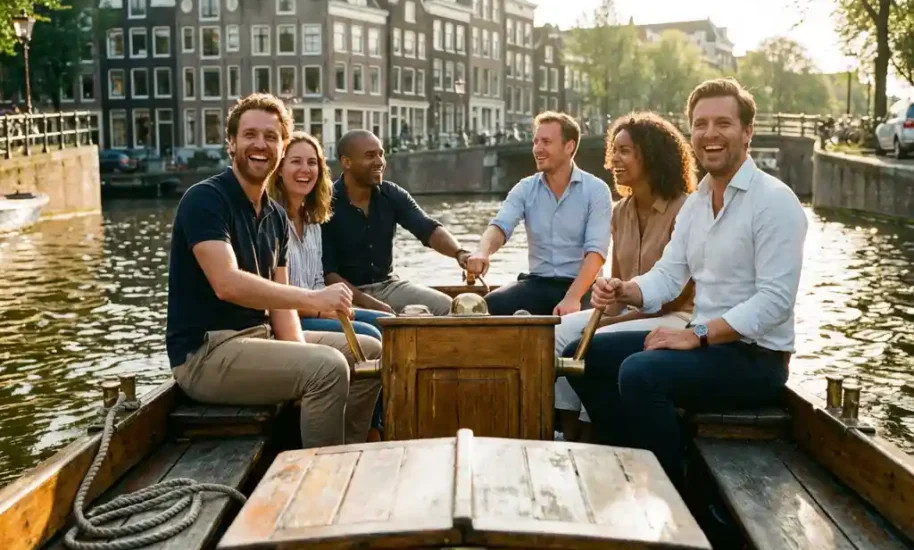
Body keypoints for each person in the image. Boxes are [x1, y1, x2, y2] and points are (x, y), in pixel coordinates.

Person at [562, 78, 807, 488]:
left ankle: (675, 490)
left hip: (755, 359)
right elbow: (668, 275)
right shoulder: (697, 204)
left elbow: (774, 301)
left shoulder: (774, 201)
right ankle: (634, 462)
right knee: (580, 357)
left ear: (747, 131)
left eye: (723, 123)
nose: (710, 134)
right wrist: (625, 289)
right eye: (700, 124)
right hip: (708, 347)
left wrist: (697, 334)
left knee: (640, 374)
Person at [166, 93, 381, 448]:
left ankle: (348, 450)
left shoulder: (276, 216)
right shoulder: (205, 200)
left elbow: (281, 310)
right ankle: (323, 470)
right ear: (231, 143)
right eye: (249, 135)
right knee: (328, 368)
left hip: (259, 338)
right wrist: (314, 298)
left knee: (371, 350)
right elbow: (226, 283)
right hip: (206, 354)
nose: (260, 144)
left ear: (281, 147)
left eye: (270, 136)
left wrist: (300, 354)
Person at [553, 112, 698, 442]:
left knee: (594, 341)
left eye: (625, 151)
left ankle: (594, 432)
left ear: (652, 155)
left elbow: (676, 295)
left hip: (679, 316)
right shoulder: (620, 212)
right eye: (613, 151)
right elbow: (618, 283)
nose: (613, 160)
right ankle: (569, 432)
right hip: (631, 311)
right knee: (556, 332)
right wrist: (606, 295)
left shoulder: (685, 210)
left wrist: (612, 320)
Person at [465, 112, 612, 316]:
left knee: (586, 322)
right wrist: (482, 251)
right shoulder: (525, 188)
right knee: (483, 308)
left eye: (546, 142)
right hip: (537, 283)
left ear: (569, 147)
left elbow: (596, 253)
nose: (537, 149)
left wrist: (572, 298)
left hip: (584, 287)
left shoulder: (597, 190)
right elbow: (500, 226)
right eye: (536, 142)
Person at [321, 129, 471, 316]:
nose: (380, 162)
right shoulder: (325, 203)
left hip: (388, 286)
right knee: (378, 319)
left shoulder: (392, 194)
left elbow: (427, 228)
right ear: (346, 162)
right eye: (370, 156)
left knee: (449, 307)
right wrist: (371, 304)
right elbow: (327, 274)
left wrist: (460, 253)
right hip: (343, 293)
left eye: (381, 154)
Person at [267, 131, 394, 340]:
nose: (305, 169)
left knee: (388, 322)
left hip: (317, 310)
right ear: (279, 169)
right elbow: (271, 297)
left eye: (312, 162)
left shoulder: (313, 220)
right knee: (372, 333)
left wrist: (332, 307)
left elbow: (318, 280)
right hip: (288, 319)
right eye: (296, 161)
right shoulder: (269, 219)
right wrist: (319, 310)